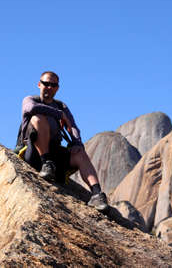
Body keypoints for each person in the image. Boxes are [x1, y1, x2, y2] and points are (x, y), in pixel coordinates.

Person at [20, 71, 108, 211]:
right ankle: (46, 163)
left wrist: (77, 143)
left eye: (53, 85)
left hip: (55, 153)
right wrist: (59, 115)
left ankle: (97, 194)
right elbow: (31, 109)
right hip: (34, 153)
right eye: (46, 83)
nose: (49, 87)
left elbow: (72, 127)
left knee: (79, 153)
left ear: (57, 88)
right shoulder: (31, 99)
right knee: (37, 118)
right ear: (39, 84)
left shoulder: (61, 106)